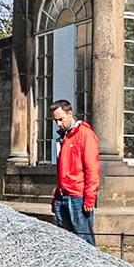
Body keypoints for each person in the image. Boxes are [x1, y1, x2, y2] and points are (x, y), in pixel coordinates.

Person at [50, 100, 99, 244]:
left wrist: (90, 197)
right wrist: (56, 196)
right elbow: (62, 170)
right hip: (63, 195)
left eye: (61, 119)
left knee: (84, 242)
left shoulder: (85, 134)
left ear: (70, 114)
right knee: (66, 243)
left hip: (78, 197)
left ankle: (92, 266)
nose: (58, 124)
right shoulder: (63, 138)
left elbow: (92, 168)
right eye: (56, 121)